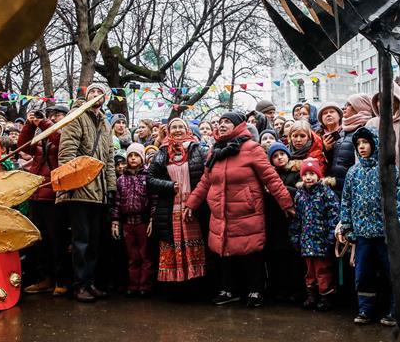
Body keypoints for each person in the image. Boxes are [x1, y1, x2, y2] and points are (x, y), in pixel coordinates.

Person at [185, 112, 294, 307]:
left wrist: (286, 203)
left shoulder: (252, 148)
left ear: (238, 125)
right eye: (220, 122)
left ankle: (255, 291)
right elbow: (206, 180)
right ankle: (228, 290)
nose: (222, 125)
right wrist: (192, 203)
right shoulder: (215, 150)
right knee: (224, 252)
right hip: (220, 212)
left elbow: (271, 178)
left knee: (251, 252)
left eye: (227, 122)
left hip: (247, 211)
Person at [337, 127, 400, 327]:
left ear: (375, 144)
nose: (362, 147)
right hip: (362, 234)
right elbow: (346, 201)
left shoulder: (389, 171)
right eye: (358, 144)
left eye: (366, 142)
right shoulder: (353, 173)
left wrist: (396, 226)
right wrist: (347, 226)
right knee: (364, 274)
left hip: (386, 235)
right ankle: (365, 309)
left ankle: (395, 309)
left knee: (392, 272)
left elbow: (398, 200)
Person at [56, 82, 118, 303]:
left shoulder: (105, 124)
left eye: (100, 92)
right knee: (80, 240)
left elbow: (109, 160)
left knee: (94, 241)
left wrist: (111, 188)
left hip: (99, 191)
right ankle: (79, 284)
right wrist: (72, 183)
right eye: (92, 91)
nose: (95, 94)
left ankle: (90, 282)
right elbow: (66, 154)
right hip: (79, 190)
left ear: (105, 99)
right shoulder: (77, 116)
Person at [147, 118, 208, 284]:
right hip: (170, 208)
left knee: (195, 244)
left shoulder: (198, 150)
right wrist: (168, 185)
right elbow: (150, 179)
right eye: (174, 127)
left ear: (187, 129)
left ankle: (196, 284)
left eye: (181, 126)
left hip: (193, 206)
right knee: (173, 245)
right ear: (168, 131)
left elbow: (208, 175)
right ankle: (176, 286)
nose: (178, 130)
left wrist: (196, 199)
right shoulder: (161, 152)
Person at [20, 104, 70, 297]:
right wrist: (30, 125)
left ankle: (61, 280)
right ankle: (45, 278)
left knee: (57, 240)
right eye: (51, 115)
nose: (53, 118)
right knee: (40, 241)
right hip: (37, 193)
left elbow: (59, 139)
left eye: (58, 115)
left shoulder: (65, 135)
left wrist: (43, 123)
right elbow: (23, 146)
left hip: (54, 195)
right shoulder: (43, 140)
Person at [291, 158, 339, 312]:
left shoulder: (326, 193)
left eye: (312, 174)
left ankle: (326, 296)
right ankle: (312, 295)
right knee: (309, 271)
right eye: (305, 174)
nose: (309, 177)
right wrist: (295, 236)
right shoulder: (300, 195)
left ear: (318, 175)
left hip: (321, 240)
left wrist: (332, 235)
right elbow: (297, 218)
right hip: (306, 241)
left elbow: (334, 215)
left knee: (323, 270)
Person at [111, 143, 153, 296]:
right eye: (130, 156)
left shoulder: (148, 176)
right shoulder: (121, 179)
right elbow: (116, 202)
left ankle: (145, 285)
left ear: (142, 158)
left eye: (136, 155)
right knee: (132, 256)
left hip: (143, 222)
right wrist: (115, 221)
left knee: (145, 255)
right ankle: (133, 285)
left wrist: (152, 219)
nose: (133, 158)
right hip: (128, 223)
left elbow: (153, 199)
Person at [265, 142, 302, 301]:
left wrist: (281, 189)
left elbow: (300, 192)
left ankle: (295, 290)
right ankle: (279, 289)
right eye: (275, 156)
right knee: (277, 258)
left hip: (292, 221)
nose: (279, 158)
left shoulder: (297, 171)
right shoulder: (270, 176)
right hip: (275, 222)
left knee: (292, 258)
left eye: (281, 154)